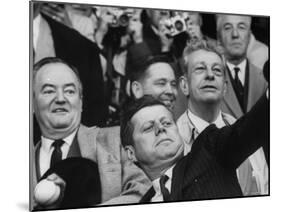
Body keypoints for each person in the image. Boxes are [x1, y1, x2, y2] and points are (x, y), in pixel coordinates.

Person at [32, 57, 151, 209]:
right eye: (49, 91)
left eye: (69, 91)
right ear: (32, 103)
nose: (61, 99)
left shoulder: (117, 140)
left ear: (80, 102)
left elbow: (144, 191)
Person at [120, 93, 268, 202]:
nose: (160, 128)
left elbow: (250, 128)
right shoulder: (143, 203)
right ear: (131, 153)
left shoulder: (209, 150)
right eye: (148, 127)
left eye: (167, 123)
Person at [177, 41, 268, 195]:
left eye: (217, 71)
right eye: (200, 69)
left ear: (225, 87)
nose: (210, 75)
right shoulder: (173, 140)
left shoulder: (249, 131)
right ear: (184, 85)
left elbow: (264, 187)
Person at [216, 14, 268, 195]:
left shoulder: (267, 80)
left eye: (242, 27)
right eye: (228, 27)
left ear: (250, 35)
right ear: (218, 37)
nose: (236, 34)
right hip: (226, 177)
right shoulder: (208, 84)